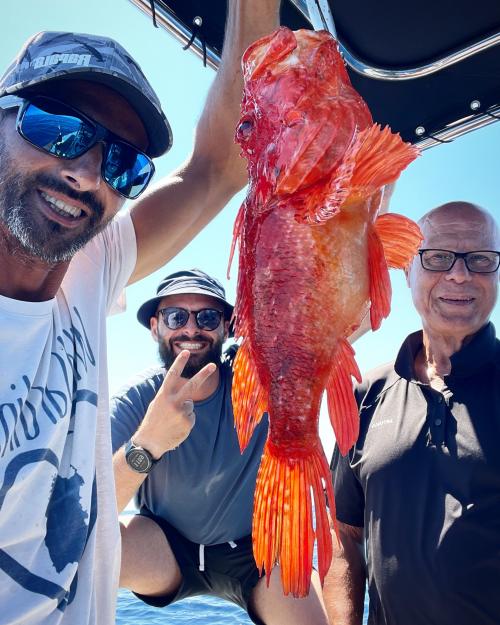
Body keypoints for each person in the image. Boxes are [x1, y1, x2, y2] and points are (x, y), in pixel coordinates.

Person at [0, 3, 281, 623]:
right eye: (56, 127)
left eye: (123, 161)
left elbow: (218, 168)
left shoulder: (87, 265)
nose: (84, 172)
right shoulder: (134, 387)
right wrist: (150, 444)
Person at [110, 269, 331, 625]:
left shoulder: (262, 378)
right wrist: (148, 442)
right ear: (155, 327)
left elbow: (336, 321)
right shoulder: (136, 399)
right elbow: (88, 512)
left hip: (256, 551)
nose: (192, 329)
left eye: (208, 317)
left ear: (228, 327)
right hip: (167, 545)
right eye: (176, 316)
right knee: (80, 555)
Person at [323, 201, 500, 625]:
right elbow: (344, 533)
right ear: (407, 271)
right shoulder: (367, 393)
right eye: (437, 258)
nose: (459, 274)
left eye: (481, 259)